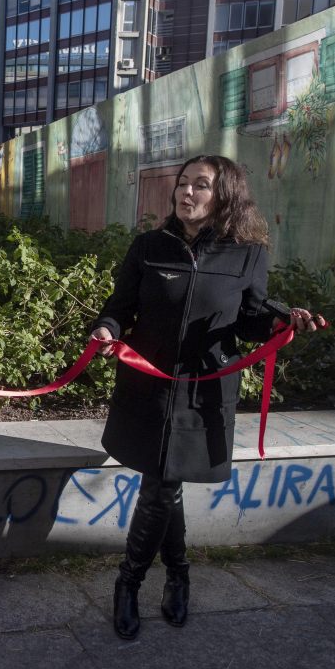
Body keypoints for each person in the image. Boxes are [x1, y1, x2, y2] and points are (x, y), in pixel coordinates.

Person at [89, 154, 318, 640]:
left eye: (201, 185)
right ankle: (171, 576)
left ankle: (133, 582)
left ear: (224, 196)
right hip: (148, 387)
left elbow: (251, 319)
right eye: (183, 183)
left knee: (162, 485)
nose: (186, 192)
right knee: (163, 486)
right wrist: (107, 329)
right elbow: (120, 308)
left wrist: (283, 322)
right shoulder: (149, 246)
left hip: (203, 391)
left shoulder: (248, 254)